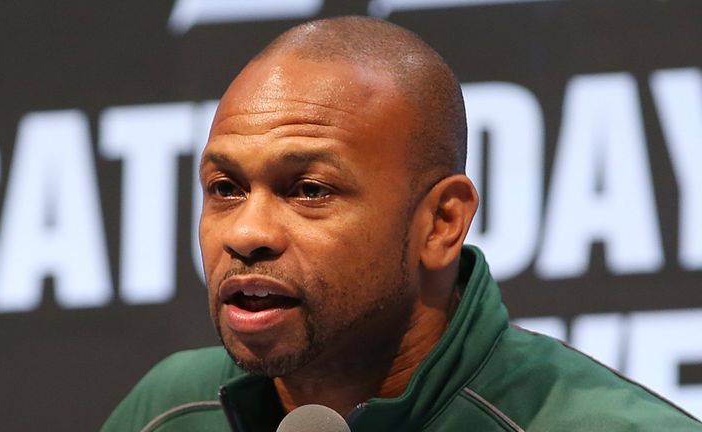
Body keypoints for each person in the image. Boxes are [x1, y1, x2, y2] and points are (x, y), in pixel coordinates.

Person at [101, 16, 701, 432]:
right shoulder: (171, 411)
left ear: (442, 223)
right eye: (225, 188)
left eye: (309, 191)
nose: (245, 233)